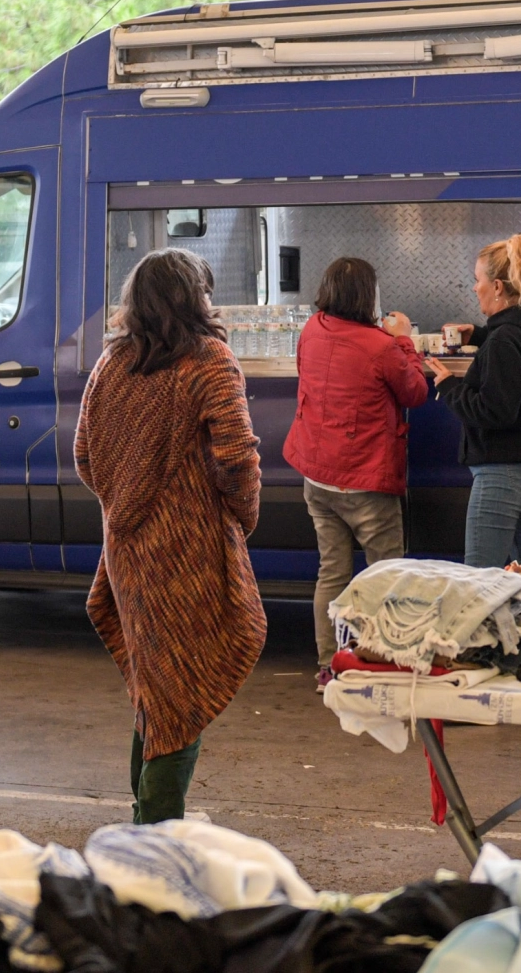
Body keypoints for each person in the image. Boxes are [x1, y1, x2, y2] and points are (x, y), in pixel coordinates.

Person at [76, 248, 265, 823]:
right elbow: (238, 459)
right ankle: (156, 828)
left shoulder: (114, 362)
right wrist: (241, 516)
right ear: (192, 299)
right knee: (181, 694)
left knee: (158, 691)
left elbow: (84, 454)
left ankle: (145, 819)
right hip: (190, 550)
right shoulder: (209, 360)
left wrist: (122, 501)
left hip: (127, 551)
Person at [283, 257, 428, 690]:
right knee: (386, 573)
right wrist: (404, 341)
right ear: (369, 297)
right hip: (365, 479)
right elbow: (415, 393)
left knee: (332, 571)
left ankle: (329, 665)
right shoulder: (380, 347)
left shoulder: (311, 330)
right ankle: (386, 660)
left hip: (318, 475)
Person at [426, 234, 521, 570]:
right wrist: (481, 336)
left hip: (503, 473)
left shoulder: (505, 340)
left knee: (480, 579)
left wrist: (450, 387)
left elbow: (495, 411)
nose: (474, 288)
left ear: (497, 287)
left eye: (478, 280)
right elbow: (516, 359)